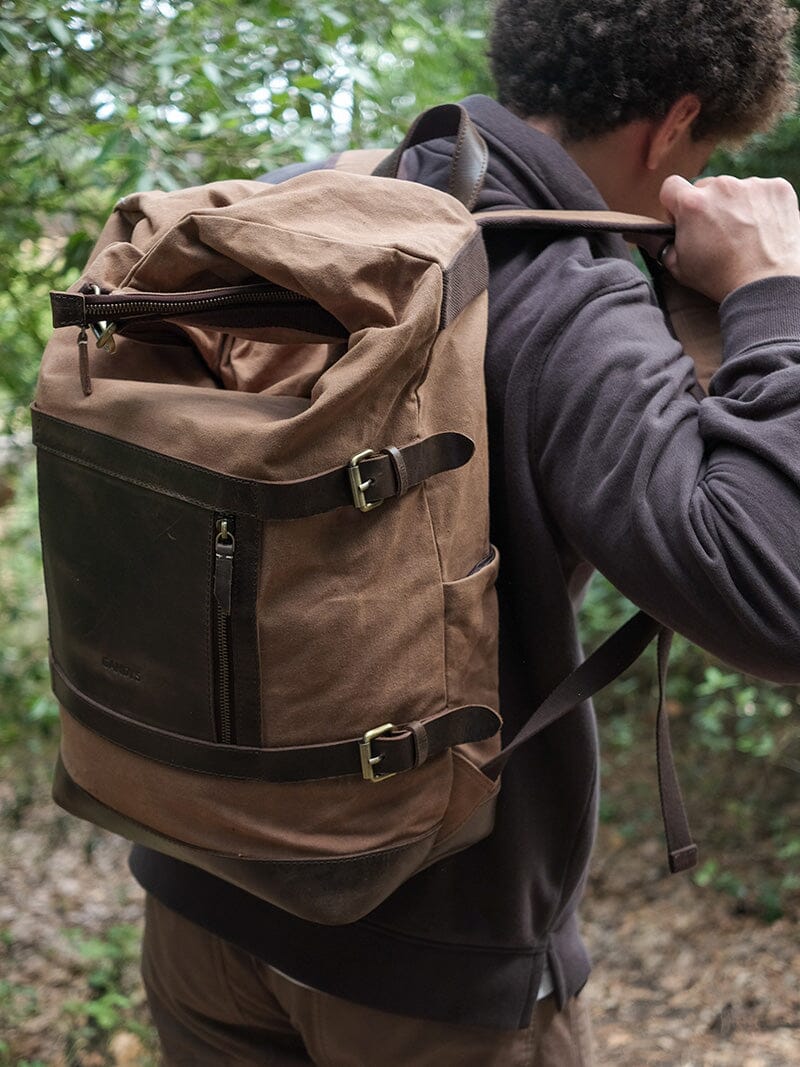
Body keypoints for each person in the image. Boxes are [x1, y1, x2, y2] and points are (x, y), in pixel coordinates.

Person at [130, 1, 800, 1062]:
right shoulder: (557, 292)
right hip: (422, 969)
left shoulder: (330, 205)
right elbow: (775, 602)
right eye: (709, 150)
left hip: (201, 892)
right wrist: (768, 293)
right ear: (674, 122)